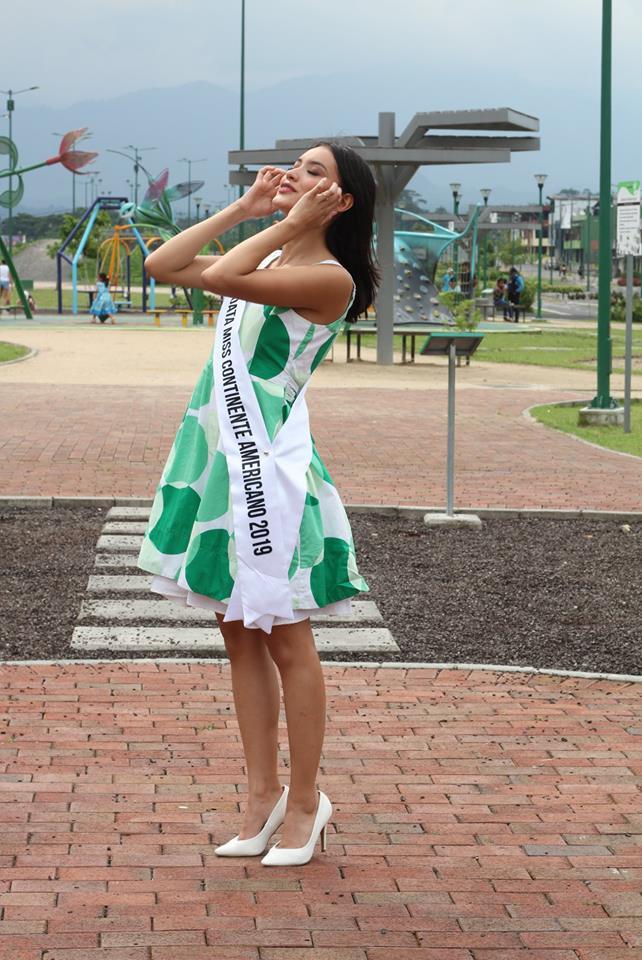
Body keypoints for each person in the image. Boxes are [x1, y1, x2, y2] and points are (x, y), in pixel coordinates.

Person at [138, 142, 378, 867]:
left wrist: (281, 224)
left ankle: (307, 801)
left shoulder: (327, 280)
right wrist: (246, 209)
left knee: (287, 638)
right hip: (218, 460)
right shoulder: (271, 260)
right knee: (238, 632)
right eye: (296, 167)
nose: (294, 177)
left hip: (267, 471)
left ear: (342, 201)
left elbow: (219, 274)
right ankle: (261, 795)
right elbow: (164, 266)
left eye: (314, 172)